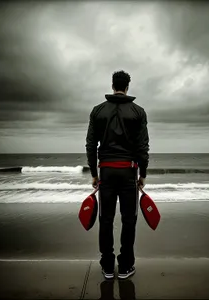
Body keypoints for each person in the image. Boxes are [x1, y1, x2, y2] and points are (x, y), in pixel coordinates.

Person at [85, 70, 150, 280]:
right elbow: (142, 147)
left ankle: (106, 266)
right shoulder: (138, 112)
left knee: (106, 220)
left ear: (113, 85)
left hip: (106, 171)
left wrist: (94, 174)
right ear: (127, 87)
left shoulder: (97, 111)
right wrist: (143, 174)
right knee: (128, 220)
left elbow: (90, 145)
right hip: (128, 172)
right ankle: (125, 267)